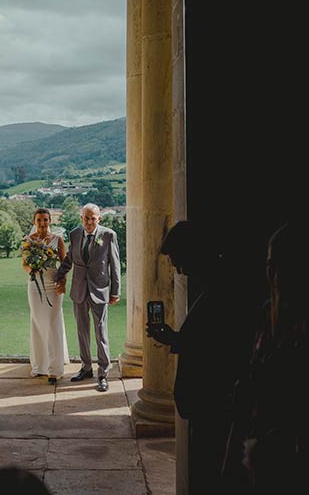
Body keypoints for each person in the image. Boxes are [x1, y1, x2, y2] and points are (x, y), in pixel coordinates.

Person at [145, 220, 263, 492]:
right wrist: (175, 339)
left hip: (214, 407)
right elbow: (207, 341)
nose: (179, 270)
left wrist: (178, 340)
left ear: (194, 253)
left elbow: (219, 349)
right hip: (206, 408)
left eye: (179, 261)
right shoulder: (214, 288)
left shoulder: (223, 293)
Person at [55, 203, 121, 392]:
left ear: (99, 218)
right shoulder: (75, 234)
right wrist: (58, 275)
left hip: (100, 291)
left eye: (93, 218)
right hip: (79, 290)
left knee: (101, 333)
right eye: (86, 218)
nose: (89, 222)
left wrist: (115, 291)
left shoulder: (108, 235)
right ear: (81, 218)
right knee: (82, 332)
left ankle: (103, 374)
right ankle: (85, 368)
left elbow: (114, 266)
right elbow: (70, 259)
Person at [22, 209, 70, 383]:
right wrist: (32, 270)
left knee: (52, 323)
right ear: (34, 221)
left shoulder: (58, 240)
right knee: (38, 322)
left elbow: (64, 265)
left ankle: (54, 369)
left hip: (53, 284)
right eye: (39, 220)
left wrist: (62, 283)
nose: (43, 223)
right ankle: (41, 365)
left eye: (45, 220)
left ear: (50, 221)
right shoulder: (28, 241)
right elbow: (24, 264)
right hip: (35, 285)